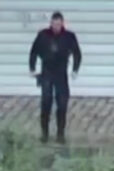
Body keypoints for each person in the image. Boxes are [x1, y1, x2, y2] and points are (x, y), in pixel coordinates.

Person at [29, 12, 82, 144]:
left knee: (62, 103)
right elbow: (34, 51)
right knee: (46, 102)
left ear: (62, 23)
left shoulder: (69, 36)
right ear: (51, 23)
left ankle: (60, 134)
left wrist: (75, 69)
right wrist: (32, 68)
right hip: (47, 71)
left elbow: (77, 53)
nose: (56, 27)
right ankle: (45, 133)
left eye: (58, 24)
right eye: (54, 24)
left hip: (61, 72)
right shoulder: (43, 35)